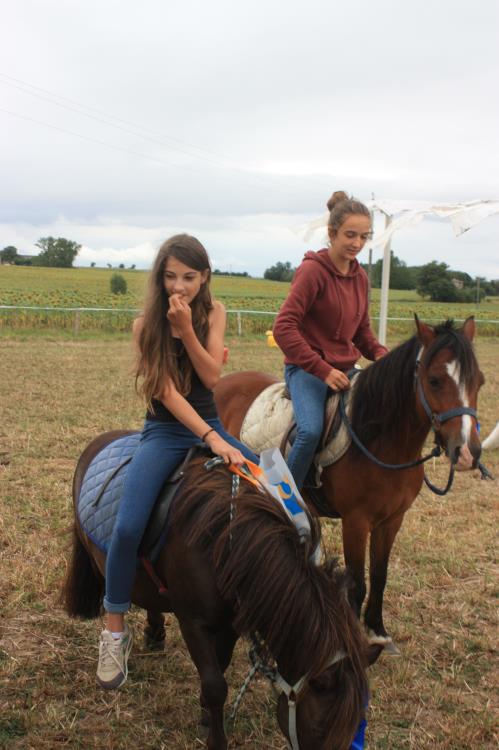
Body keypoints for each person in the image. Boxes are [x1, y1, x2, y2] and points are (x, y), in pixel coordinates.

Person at [97, 233, 258, 690]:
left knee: (278, 496)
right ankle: (114, 629)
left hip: (211, 424)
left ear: (204, 277)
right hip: (166, 431)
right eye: (170, 277)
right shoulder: (143, 324)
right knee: (127, 527)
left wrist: (188, 328)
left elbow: (210, 375)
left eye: (188, 277)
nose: (179, 286)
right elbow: (166, 392)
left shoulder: (215, 313)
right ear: (159, 277)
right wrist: (211, 438)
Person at [273, 191, 388, 491]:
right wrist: (322, 370)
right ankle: (283, 499)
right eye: (350, 235)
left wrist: (381, 354)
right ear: (331, 233)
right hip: (307, 371)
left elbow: (362, 332)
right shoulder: (312, 271)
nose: (357, 244)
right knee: (310, 432)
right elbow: (283, 327)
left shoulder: (360, 277)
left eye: (365, 237)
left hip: (346, 370)